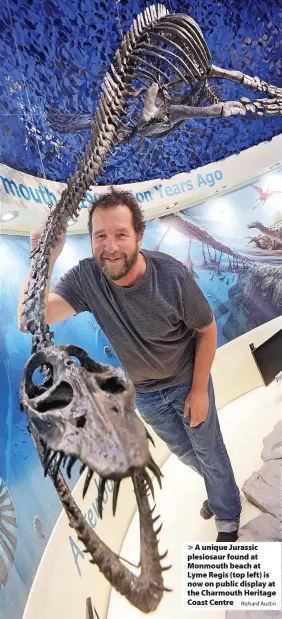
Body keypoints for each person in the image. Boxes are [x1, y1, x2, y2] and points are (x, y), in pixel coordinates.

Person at [18, 187, 241, 541]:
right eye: (100, 236)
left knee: (209, 450)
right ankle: (221, 490)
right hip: (148, 395)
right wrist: (42, 257)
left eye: (121, 234)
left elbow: (207, 328)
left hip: (186, 380)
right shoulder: (86, 278)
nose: (111, 247)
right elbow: (31, 320)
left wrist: (199, 390)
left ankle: (228, 516)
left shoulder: (171, 277)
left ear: (138, 234)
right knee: (185, 453)